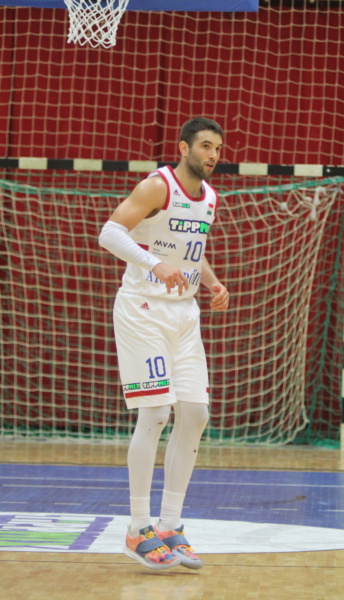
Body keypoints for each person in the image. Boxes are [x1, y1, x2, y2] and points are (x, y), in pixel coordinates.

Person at [98, 117, 229, 570]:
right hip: (143, 309)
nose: (213, 155)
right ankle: (138, 529)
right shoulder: (158, 186)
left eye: (218, 148)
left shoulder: (209, 197)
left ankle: (170, 526)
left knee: (195, 414)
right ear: (184, 147)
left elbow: (190, 249)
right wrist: (153, 264)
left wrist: (211, 282)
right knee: (156, 413)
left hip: (184, 313)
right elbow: (110, 233)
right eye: (205, 146)